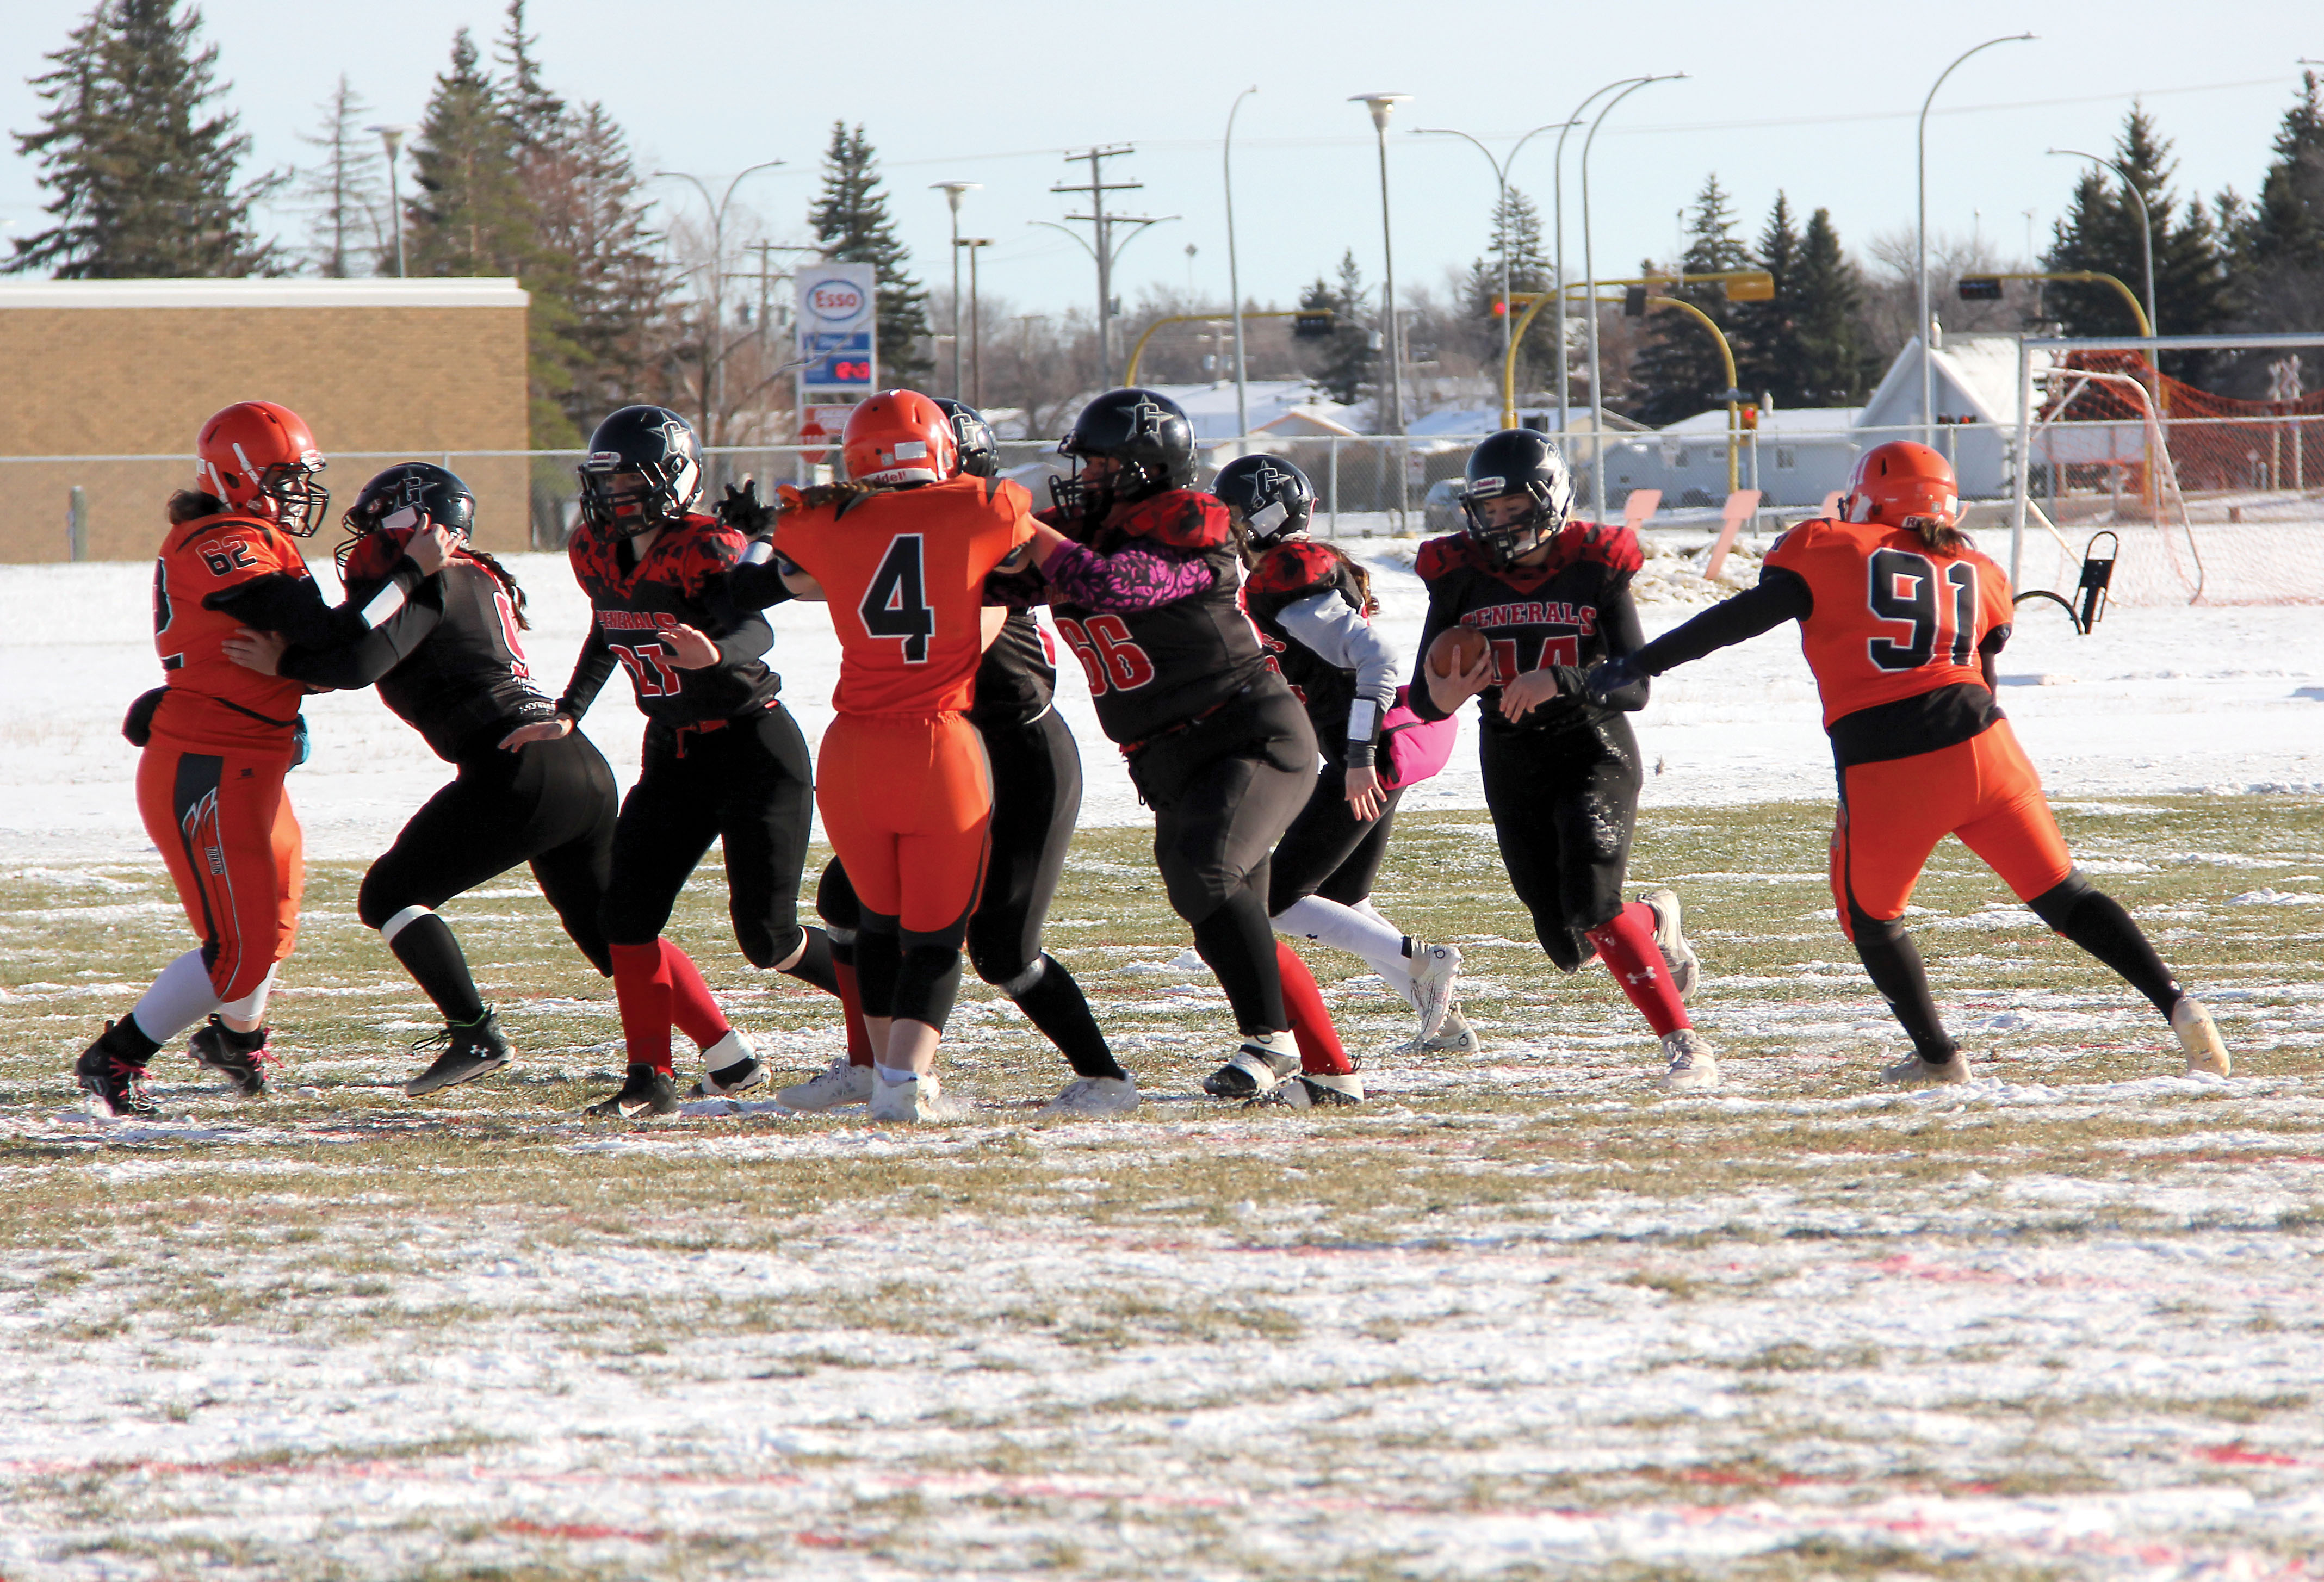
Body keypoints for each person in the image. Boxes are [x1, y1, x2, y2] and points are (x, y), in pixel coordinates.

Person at [1586, 440, 2233, 1086]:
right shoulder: (1978, 567)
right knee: (2066, 893)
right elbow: (1984, 667)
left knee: (1869, 917)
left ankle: (1938, 1057)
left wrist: (1638, 663)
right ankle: (2177, 1002)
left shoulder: (1827, 546)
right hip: (1988, 747)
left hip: (1890, 759)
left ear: (1874, 498)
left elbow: (1737, 619)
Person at [75, 401, 449, 1117]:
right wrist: (409, 576)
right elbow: (332, 636)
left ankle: (234, 1042)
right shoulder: (222, 537)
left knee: (271, 927)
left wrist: (293, 662)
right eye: (281, 477)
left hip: (249, 758)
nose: (296, 492)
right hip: (208, 762)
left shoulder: (254, 533)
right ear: (236, 476)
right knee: (238, 948)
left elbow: (323, 654)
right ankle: (115, 1058)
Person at [763, 399, 1135, 1117]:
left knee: (1002, 948)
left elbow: (945, 616)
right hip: (935, 753)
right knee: (849, 905)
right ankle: (876, 1066)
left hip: (1016, 753)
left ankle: (1104, 1076)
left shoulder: (984, 542)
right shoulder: (935, 532)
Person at [221, 463, 618, 1096]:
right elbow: (385, 656)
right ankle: (725, 1049)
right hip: (571, 762)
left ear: (415, 526)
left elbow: (359, 662)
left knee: (389, 893)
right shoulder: (472, 575)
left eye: (377, 526)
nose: (365, 541)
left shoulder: (434, 581)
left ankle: (475, 1031)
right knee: (617, 936)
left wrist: (287, 661)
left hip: (518, 765)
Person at [1014, 388, 1362, 1106]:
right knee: (1218, 905)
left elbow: (1119, 584)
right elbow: (987, 581)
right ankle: (1330, 1074)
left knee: (1207, 871)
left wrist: (1016, 523)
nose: (1088, 477)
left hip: (1249, 729)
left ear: (1148, 467)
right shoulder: (1080, 525)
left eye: (1105, 463)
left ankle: (1272, 1041)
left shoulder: (1191, 524)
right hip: (1166, 750)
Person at [732, 390, 1033, 1120]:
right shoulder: (988, 503)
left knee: (874, 924)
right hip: (938, 747)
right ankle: (901, 1084)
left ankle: (876, 1069)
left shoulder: (824, 518)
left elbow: (751, 589)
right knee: (933, 940)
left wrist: (768, 531)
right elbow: (1025, 561)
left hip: (852, 751)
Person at [541, 405, 844, 1119]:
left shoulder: (703, 545)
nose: (613, 499)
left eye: (629, 483)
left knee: (768, 938)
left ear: (673, 481)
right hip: (673, 751)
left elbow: (753, 624)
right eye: (605, 483)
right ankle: (650, 1077)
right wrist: (569, 708)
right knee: (626, 913)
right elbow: (608, 629)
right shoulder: (592, 549)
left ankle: (890, 996)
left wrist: (716, 651)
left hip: (752, 745)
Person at [1407, 429, 1713, 1090]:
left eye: (1512, 506)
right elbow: (1425, 701)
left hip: (1591, 745)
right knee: (1568, 941)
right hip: (1511, 754)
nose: (1498, 521)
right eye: (1488, 509)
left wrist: (1562, 678)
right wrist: (1444, 694)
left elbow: (1634, 684)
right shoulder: (1458, 574)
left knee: (1594, 902)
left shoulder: (1592, 564)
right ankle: (1655, 919)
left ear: (1546, 499)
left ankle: (1684, 1043)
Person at [1217, 453, 1465, 1049]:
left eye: (1231, 514)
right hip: (1365, 752)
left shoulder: (1287, 572)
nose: (1223, 526)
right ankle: (1446, 1027)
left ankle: (1422, 960)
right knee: (1343, 898)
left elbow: (1375, 659)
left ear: (1264, 515)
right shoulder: (1283, 570)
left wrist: (1356, 757)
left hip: (1368, 754)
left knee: (1275, 900)